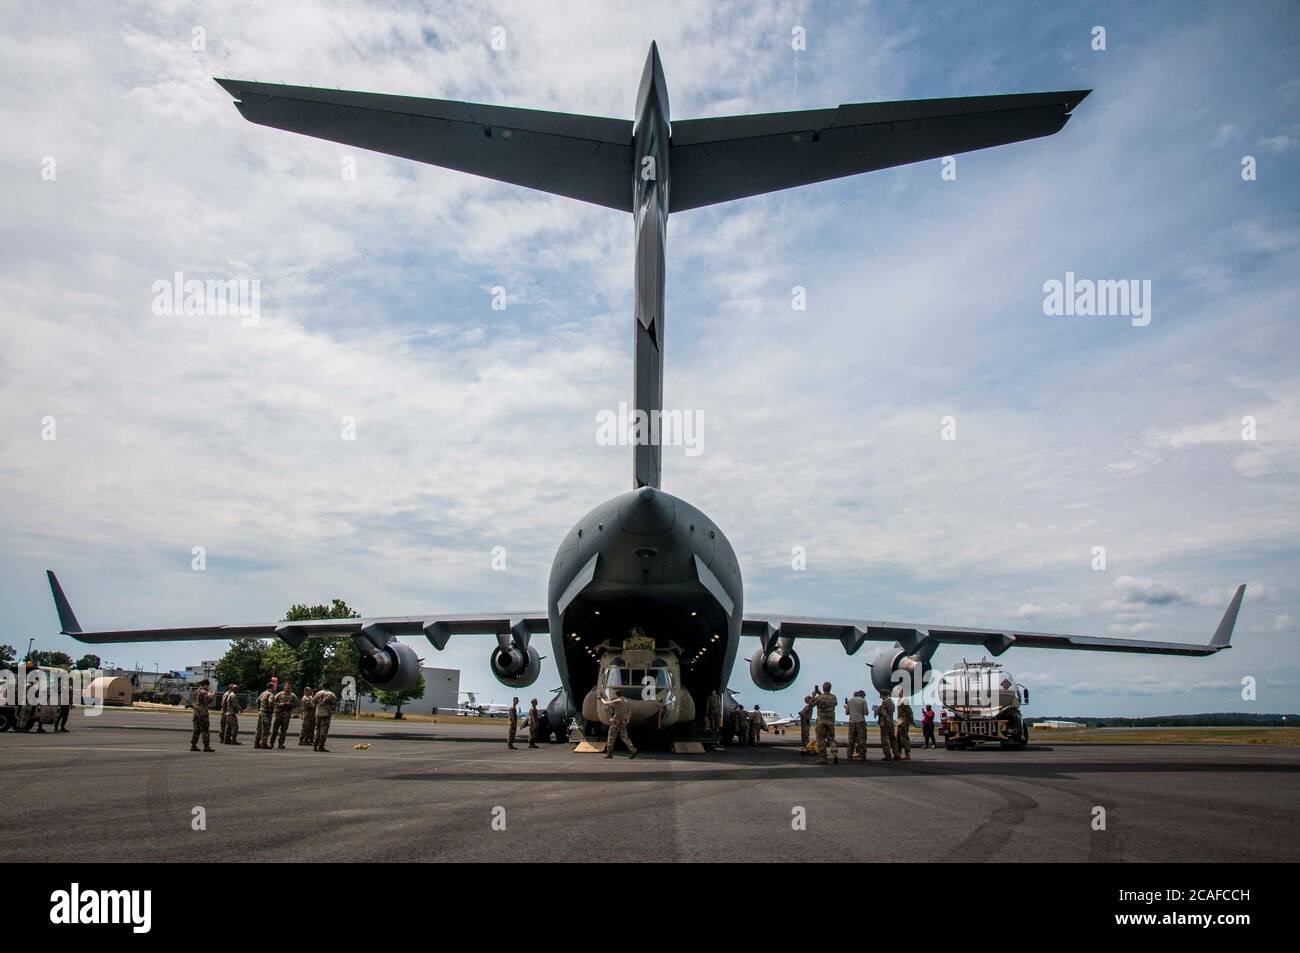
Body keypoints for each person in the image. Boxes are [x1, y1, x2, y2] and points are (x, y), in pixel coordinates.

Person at [601, 689, 637, 759]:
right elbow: (629, 712)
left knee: (611, 736)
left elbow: (606, 703)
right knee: (624, 737)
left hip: (616, 721)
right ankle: (632, 749)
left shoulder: (617, 701)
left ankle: (609, 753)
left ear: (616, 694)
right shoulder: (626, 702)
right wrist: (627, 721)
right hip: (623, 721)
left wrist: (601, 698)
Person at [813, 681, 838, 765]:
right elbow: (835, 703)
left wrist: (813, 695)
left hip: (821, 721)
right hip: (830, 721)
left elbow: (811, 704)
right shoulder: (834, 697)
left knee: (821, 740)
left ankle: (823, 758)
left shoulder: (819, 697)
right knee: (831, 739)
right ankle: (834, 753)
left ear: (823, 688)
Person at [190, 679, 215, 752]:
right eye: (208, 686)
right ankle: (206, 746)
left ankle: (193, 745)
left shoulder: (196, 692)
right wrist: (211, 696)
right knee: (205, 730)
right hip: (202, 714)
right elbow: (207, 702)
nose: (208, 687)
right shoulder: (204, 692)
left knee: (196, 730)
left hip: (196, 713)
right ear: (206, 685)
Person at [270, 681, 296, 749]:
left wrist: (290, 704)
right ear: (284, 687)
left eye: (289, 687)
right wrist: (280, 704)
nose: (287, 688)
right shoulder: (279, 694)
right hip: (278, 714)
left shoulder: (293, 696)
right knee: (274, 730)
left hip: (286, 715)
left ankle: (281, 744)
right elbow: (273, 702)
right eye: (286, 686)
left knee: (283, 731)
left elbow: (297, 704)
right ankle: (271, 743)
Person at [845, 690, 869, 761]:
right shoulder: (863, 701)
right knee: (862, 740)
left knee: (851, 740)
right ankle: (862, 756)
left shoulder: (850, 700)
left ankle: (849, 756)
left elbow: (847, 712)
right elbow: (866, 712)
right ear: (862, 695)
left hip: (851, 722)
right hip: (860, 722)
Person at [874, 691, 898, 761]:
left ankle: (888, 755)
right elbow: (892, 711)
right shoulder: (892, 702)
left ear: (883, 695)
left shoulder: (884, 702)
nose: (880, 696)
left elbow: (883, 712)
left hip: (885, 723)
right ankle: (897, 754)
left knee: (885, 740)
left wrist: (877, 710)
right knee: (893, 739)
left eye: (880, 695)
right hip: (891, 722)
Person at [313, 686, 338, 752]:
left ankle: (315, 745)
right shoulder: (331, 694)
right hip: (326, 714)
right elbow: (334, 704)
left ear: (322, 686)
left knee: (317, 730)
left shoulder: (318, 693)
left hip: (318, 714)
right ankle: (321, 746)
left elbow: (314, 702)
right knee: (323, 731)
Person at [254, 681, 275, 748]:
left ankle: (256, 743)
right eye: (273, 687)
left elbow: (257, 701)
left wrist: (259, 708)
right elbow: (271, 702)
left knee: (259, 728)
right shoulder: (270, 694)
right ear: (272, 687)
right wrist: (271, 710)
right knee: (266, 729)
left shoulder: (263, 693)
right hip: (266, 713)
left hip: (261, 712)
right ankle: (264, 743)